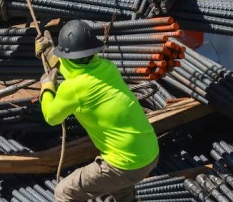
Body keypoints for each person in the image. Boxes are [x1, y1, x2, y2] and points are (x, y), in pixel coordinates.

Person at [36, 20, 159, 202]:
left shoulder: (73, 89)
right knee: (122, 190)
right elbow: (78, 68)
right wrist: (51, 55)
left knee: (64, 192)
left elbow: (51, 116)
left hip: (124, 165)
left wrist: (47, 87)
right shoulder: (107, 68)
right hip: (149, 154)